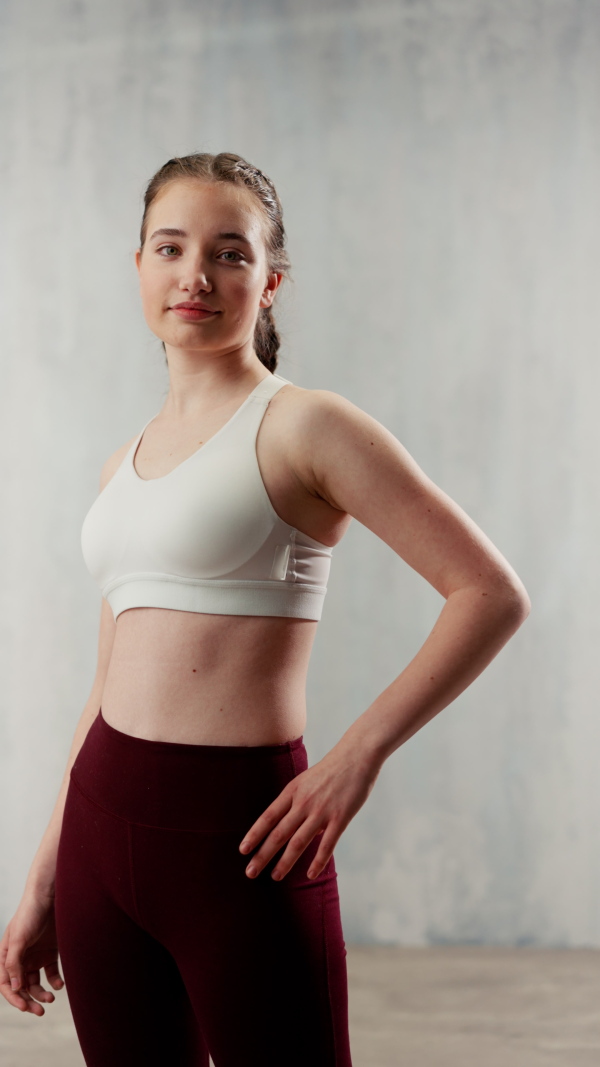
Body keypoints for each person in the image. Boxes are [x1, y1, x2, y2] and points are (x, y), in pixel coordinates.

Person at [0, 152, 530, 1066]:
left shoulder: (305, 426)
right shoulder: (121, 464)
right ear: (139, 268)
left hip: (244, 842)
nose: (194, 274)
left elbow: (488, 593)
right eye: (170, 247)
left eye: (230, 253)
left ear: (271, 282)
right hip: (98, 831)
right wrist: (42, 879)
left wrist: (354, 759)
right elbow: (104, 685)